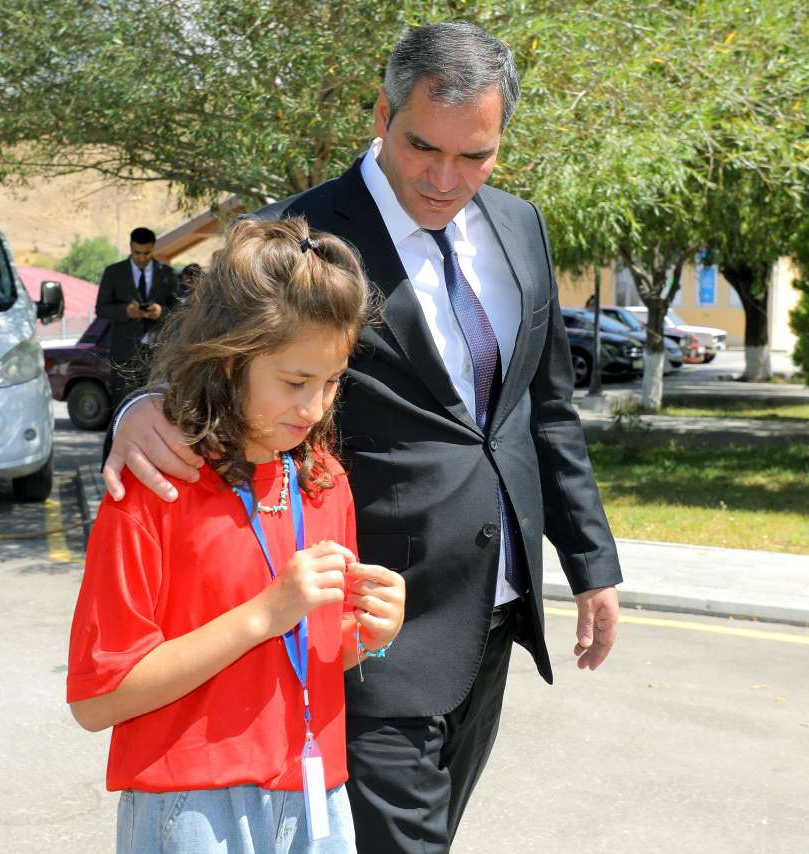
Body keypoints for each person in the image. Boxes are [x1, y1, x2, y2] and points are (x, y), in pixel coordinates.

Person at [105, 22, 622, 853]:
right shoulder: (290, 235)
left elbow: (544, 408)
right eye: (423, 147)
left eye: (476, 156)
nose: (445, 178)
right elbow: (203, 367)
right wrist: (140, 408)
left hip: (493, 614)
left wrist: (591, 564)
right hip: (365, 630)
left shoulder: (520, 226)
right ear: (382, 114)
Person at [67, 217, 406, 854]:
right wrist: (264, 614)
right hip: (192, 804)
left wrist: (371, 636)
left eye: (332, 382)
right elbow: (98, 699)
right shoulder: (154, 484)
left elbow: (313, 654)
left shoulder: (325, 483)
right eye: (295, 382)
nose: (315, 408)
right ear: (230, 362)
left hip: (316, 796)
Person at [94, 226, 178, 407]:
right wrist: (125, 311)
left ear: (153, 248)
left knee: (157, 407)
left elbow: (179, 311)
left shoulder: (167, 273)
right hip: (124, 355)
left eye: (146, 253)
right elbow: (101, 309)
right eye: (137, 253)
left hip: (157, 356)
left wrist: (161, 312)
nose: (141, 258)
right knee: (123, 405)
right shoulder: (113, 272)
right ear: (130, 247)